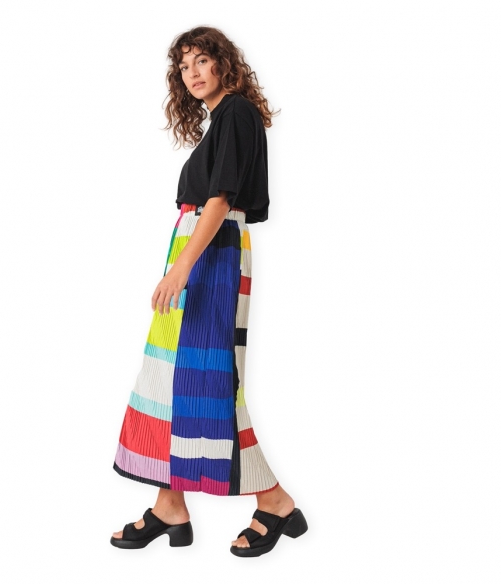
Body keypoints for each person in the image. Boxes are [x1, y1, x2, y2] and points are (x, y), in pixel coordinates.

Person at [110, 26, 308, 558]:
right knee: (170, 379)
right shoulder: (222, 121)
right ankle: (169, 504)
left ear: (224, 63)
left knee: (211, 383)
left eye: (202, 60)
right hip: (199, 248)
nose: (192, 72)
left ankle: (275, 501)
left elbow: (220, 200)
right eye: (183, 66)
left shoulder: (237, 112)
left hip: (210, 254)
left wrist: (181, 269)